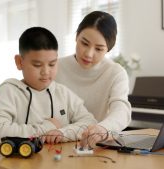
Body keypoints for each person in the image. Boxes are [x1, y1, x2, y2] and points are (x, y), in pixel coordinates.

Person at [0, 27, 97, 144]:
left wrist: (63, 132)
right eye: (37, 65)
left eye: (52, 64)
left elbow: (90, 123)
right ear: (19, 62)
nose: (46, 72)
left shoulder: (62, 92)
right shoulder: (9, 91)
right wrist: (47, 127)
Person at [55, 11, 132, 147]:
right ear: (76, 37)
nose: (89, 54)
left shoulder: (115, 73)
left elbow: (121, 110)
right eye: (84, 43)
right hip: (56, 143)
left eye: (99, 49)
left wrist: (103, 128)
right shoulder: (55, 67)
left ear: (108, 49)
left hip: (93, 147)